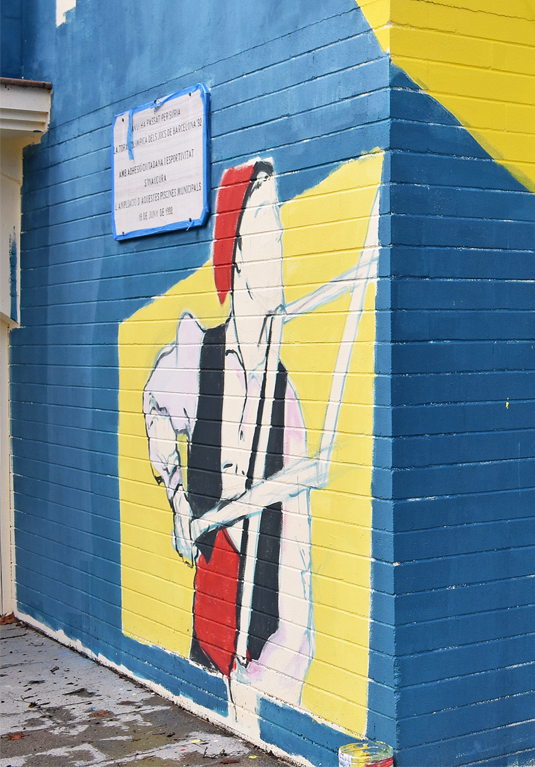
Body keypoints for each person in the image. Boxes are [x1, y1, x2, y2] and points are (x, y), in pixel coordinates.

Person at [144, 160, 315, 711]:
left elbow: (296, 565)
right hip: (210, 627)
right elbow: (156, 407)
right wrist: (176, 498)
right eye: (268, 228)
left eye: (281, 229)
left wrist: (272, 682)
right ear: (235, 251)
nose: (282, 246)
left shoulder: (283, 394)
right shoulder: (197, 358)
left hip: (263, 656)